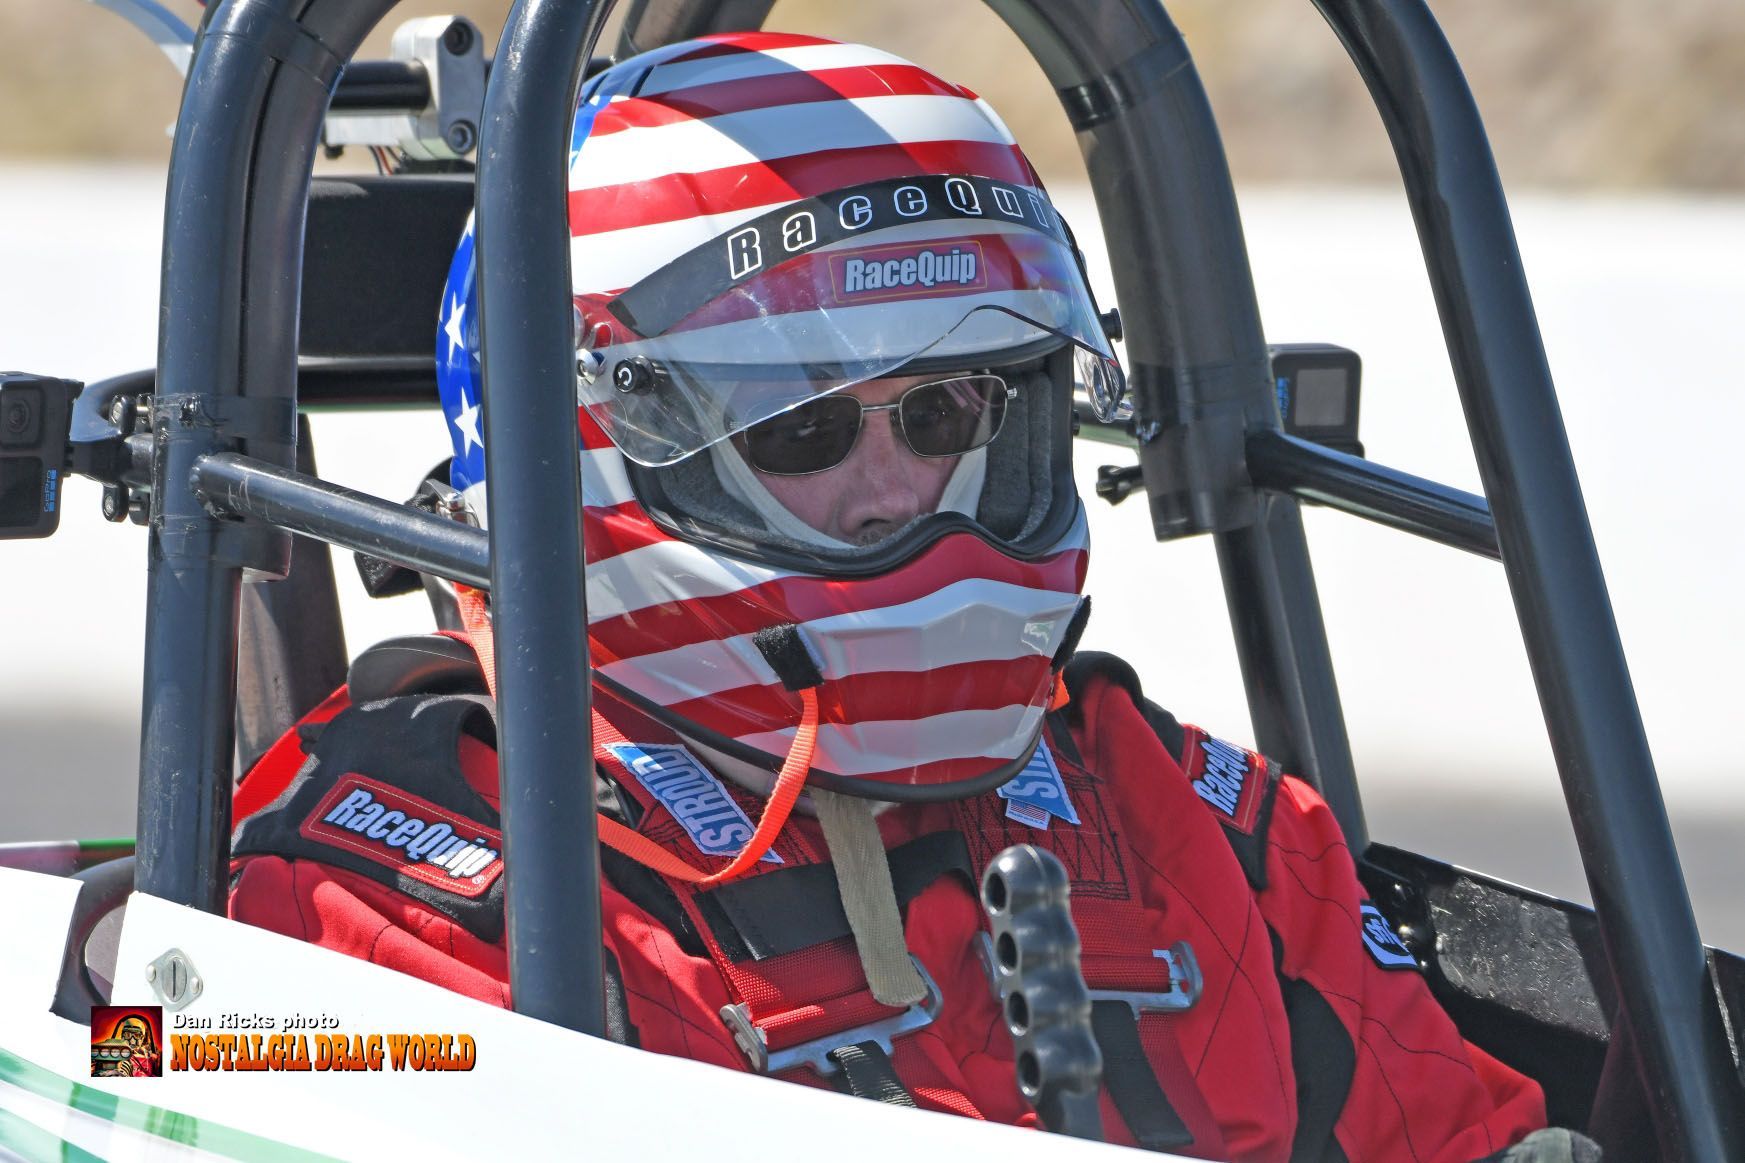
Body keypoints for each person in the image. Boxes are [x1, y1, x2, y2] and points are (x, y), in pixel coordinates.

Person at [228, 32, 1592, 1162]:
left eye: (946, 412)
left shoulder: (1198, 822)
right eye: (801, 432)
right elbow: (169, 1050)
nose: (905, 494)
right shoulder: (373, 908)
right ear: (589, 454)